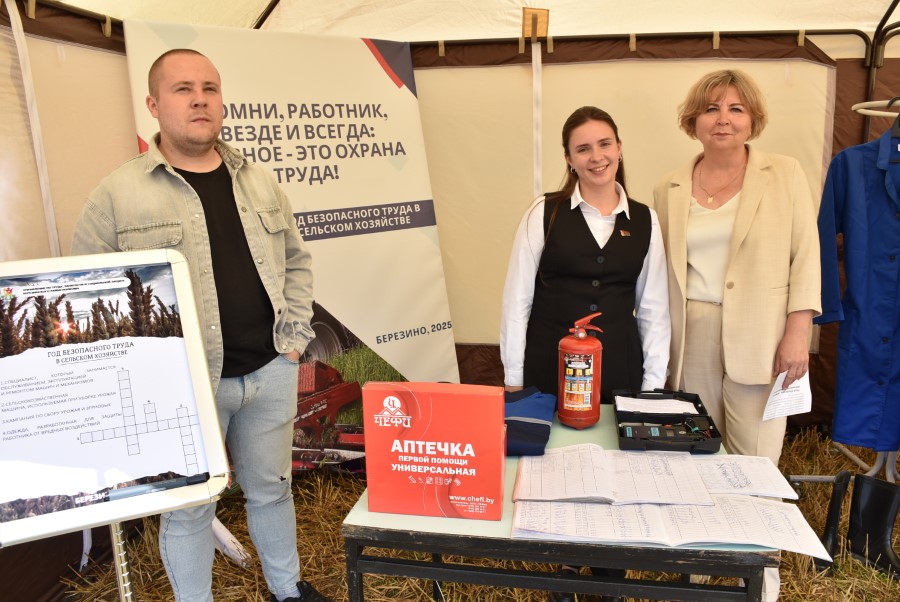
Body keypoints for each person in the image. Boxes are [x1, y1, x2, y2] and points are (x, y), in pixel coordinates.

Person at [71, 49, 330, 602]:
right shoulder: (116, 196)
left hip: (270, 370)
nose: (199, 100)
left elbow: (296, 261)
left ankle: (288, 591)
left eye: (209, 88)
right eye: (183, 89)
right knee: (190, 509)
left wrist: (292, 343)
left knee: (273, 490)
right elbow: (89, 298)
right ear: (153, 104)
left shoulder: (258, 181)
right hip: (182, 390)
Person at [649, 69, 821, 601]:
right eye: (711, 108)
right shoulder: (668, 187)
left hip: (763, 335)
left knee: (756, 461)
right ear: (693, 121)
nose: (723, 119)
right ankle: (700, 563)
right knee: (697, 453)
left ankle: (762, 574)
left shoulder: (784, 173)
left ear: (752, 120)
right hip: (692, 334)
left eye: (735, 109)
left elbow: (806, 255)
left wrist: (798, 331)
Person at [500, 106, 670, 602]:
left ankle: (610, 571)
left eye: (604, 144)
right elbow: (516, 300)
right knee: (557, 466)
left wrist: (653, 387)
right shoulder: (545, 212)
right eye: (583, 148)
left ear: (619, 147)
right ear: (569, 159)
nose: (597, 156)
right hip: (549, 363)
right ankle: (562, 569)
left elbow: (654, 307)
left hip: (618, 365)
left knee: (614, 466)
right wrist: (514, 379)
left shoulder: (645, 220)